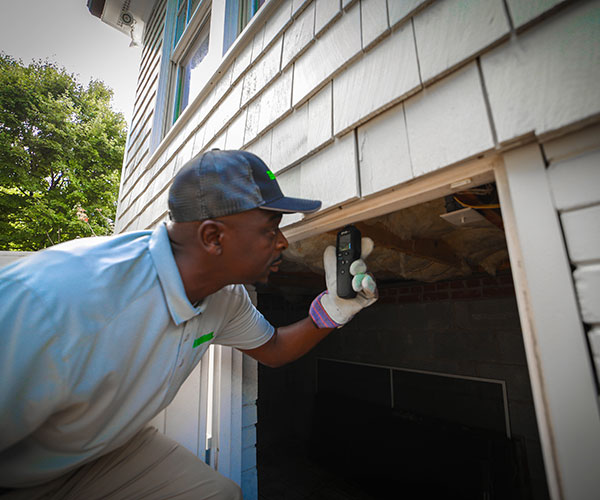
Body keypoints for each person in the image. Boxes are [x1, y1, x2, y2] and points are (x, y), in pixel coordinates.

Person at [0, 149, 377, 499]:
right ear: (213, 237)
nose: (282, 242)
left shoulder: (225, 297)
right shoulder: (56, 299)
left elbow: (274, 349)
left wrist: (333, 310)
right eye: (269, 228)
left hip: (105, 449)